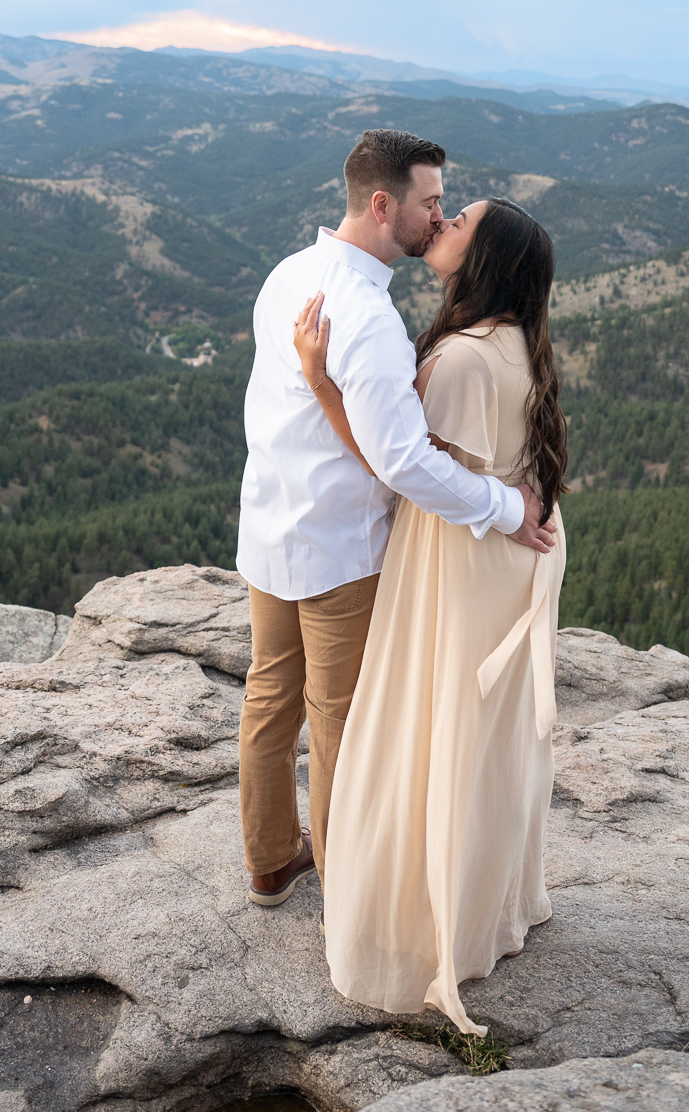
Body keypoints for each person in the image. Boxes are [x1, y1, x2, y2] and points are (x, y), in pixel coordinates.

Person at [236, 130, 554, 911]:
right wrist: (503, 509)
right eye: (430, 202)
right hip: (341, 546)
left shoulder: (288, 276)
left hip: (269, 530)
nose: (437, 218)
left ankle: (271, 860)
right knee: (341, 718)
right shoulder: (369, 318)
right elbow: (404, 462)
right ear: (384, 205)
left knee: (269, 698)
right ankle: (348, 885)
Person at [292, 196, 568, 1035]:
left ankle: (414, 927)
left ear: (482, 262)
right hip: (505, 555)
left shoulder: (456, 360)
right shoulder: (518, 343)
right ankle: (484, 906)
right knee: (481, 731)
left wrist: (317, 377)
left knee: (424, 721)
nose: (440, 228)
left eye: (459, 226)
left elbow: (395, 464)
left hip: (455, 553)